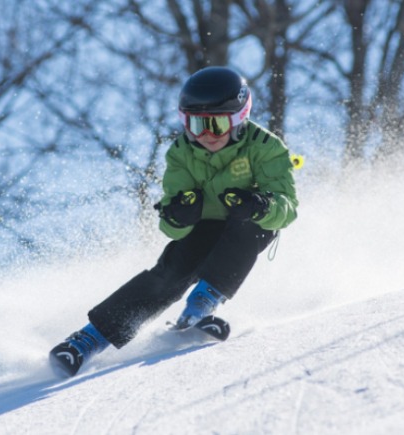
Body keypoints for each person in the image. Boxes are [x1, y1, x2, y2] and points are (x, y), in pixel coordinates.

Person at [49, 66, 299, 377]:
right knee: (172, 270)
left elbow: (287, 208)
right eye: (195, 125)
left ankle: (200, 307)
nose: (205, 135)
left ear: (238, 120)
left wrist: (260, 205)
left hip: (248, 223)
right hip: (204, 226)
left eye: (216, 125)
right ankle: (87, 340)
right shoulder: (181, 152)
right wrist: (178, 215)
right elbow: (171, 226)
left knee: (248, 228)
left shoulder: (266, 147)